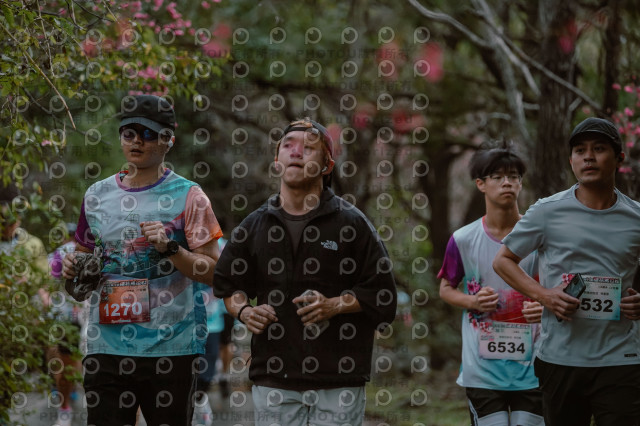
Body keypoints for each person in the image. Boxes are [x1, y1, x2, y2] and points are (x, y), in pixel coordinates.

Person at [212, 117, 397, 426]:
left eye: (309, 148)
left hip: (339, 378)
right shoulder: (255, 225)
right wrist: (244, 311)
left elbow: (383, 295)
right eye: (288, 146)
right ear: (277, 160)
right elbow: (228, 285)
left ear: (327, 166)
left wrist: (335, 305)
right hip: (273, 376)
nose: (296, 152)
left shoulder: (352, 224)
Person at [61, 94, 223, 426]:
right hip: (107, 347)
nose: (137, 140)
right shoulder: (96, 196)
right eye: (129, 132)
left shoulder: (191, 196)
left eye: (148, 133)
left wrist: (170, 249)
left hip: (172, 348)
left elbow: (215, 273)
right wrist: (72, 269)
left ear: (169, 140)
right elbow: (81, 268)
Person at [493, 117, 640, 426]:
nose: (588, 157)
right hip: (560, 358)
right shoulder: (547, 211)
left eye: (599, 149)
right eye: (580, 150)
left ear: (619, 159)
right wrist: (544, 295)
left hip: (621, 358)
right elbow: (503, 261)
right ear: (571, 160)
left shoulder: (635, 217)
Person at [438, 142, 544, 426]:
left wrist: (545, 307)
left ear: (521, 183)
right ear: (480, 184)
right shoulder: (463, 239)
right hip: (482, 369)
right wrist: (472, 301)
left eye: (513, 176)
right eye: (497, 177)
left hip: (534, 366)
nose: (507, 183)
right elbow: (445, 288)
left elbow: (561, 287)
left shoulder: (540, 237)